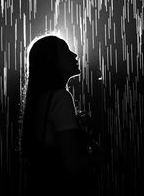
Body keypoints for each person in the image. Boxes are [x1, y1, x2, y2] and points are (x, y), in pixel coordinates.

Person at [21, 35, 105, 196]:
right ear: (52, 61)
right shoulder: (61, 98)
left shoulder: (43, 98)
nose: (74, 55)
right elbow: (71, 166)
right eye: (66, 51)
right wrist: (99, 157)